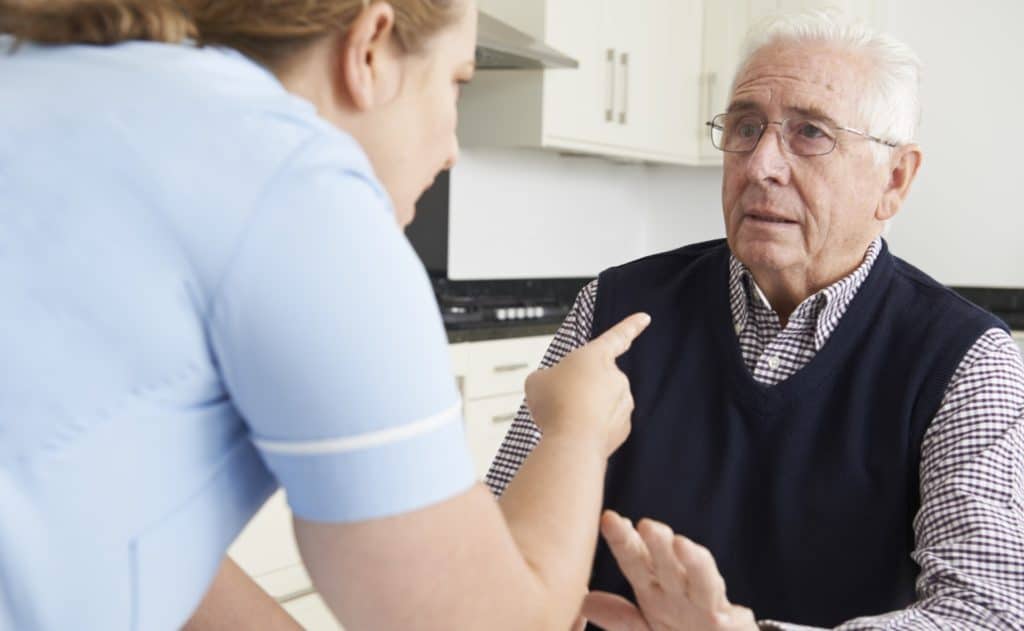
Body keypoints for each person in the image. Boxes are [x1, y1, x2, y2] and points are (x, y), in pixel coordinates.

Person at [0, 1, 651, 629]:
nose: (453, 148)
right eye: (455, 83)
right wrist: (575, 432)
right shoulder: (301, 187)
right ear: (369, 48)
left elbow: (121, 509)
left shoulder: (68, 82)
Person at [487, 10, 1024, 631]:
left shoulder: (965, 359)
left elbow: (988, 610)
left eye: (810, 132)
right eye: (746, 126)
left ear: (894, 180)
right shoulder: (614, 310)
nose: (761, 164)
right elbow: (500, 555)